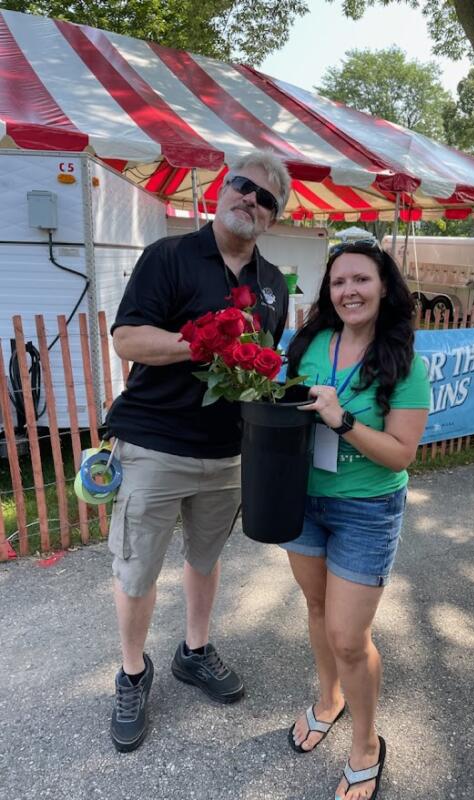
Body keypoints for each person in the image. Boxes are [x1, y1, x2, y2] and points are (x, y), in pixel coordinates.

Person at [104, 150, 291, 752]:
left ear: (273, 217)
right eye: (244, 187)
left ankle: (194, 650)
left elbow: (264, 371)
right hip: (155, 444)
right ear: (222, 188)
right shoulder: (169, 256)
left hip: (226, 452)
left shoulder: (271, 286)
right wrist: (202, 343)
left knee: (205, 560)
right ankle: (133, 672)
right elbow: (127, 337)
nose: (251, 202)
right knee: (137, 568)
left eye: (267, 200)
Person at [283, 241, 430, 800]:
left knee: (349, 636)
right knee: (317, 609)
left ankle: (366, 743)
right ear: (329, 292)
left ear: (384, 286)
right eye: (339, 282)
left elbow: (400, 454)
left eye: (361, 280)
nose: (349, 291)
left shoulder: (403, 362)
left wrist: (341, 420)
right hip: (305, 502)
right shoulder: (310, 343)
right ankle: (330, 700)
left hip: (367, 510)